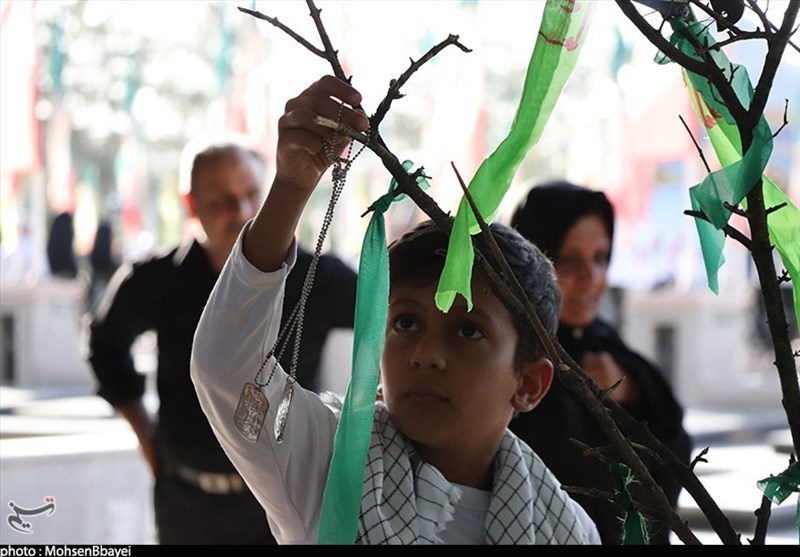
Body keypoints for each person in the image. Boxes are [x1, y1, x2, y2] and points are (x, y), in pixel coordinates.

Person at [190, 75, 600, 545]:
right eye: (405, 322)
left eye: (467, 331)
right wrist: (291, 187)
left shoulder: (566, 530)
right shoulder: (331, 460)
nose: (425, 354)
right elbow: (226, 368)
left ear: (528, 384)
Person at [85, 134, 358, 544]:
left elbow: (389, 316)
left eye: (251, 195)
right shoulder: (157, 279)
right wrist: (142, 428)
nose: (242, 212)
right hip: (186, 502)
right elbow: (104, 344)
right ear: (191, 205)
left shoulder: (316, 275)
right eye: (223, 201)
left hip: (286, 506)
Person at [508, 179, 693, 545]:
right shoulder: (509, 358)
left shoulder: (608, 349)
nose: (591, 279)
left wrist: (630, 391)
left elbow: (673, 442)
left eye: (600, 258)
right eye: (568, 261)